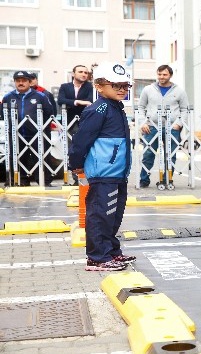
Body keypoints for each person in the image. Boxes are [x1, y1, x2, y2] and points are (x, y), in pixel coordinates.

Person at [68, 62, 134, 271]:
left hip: (116, 174)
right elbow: (81, 140)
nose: (122, 89)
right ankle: (97, 257)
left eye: (126, 86)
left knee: (113, 215)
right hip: (103, 173)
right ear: (99, 86)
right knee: (100, 214)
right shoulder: (99, 109)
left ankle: (111, 251)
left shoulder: (116, 107)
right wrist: (76, 165)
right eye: (116, 85)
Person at [137, 64, 190, 188]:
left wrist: (179, 123)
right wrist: (143, 122)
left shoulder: (179, 91)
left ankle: (168, 179)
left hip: (172, 127)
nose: (161, 77)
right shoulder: (148, 89)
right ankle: (144, 179)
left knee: (170, 154)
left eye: (164, 74)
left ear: (170, 75)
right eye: (159, 74)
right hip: (151, 127)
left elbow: (185, 109)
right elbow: (140, 107)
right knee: (148, 154)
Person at [0, 71, 55, 186]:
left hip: (36, 134)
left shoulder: (40, 96)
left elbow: (49, 112)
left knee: (41, 158)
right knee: (17, 158)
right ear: (14, 82)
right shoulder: (8, 97)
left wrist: (40, 127)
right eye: (18, 81)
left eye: (24, 80)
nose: (21, 83)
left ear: (29, 82)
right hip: (16, 134)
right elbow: (3, 114)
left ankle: (44, 181)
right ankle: (21, 181)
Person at [57, 65, 94, 130]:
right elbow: (61, 100)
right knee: (67, 139)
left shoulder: (91, 87)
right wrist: (77, 102)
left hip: (85, 120)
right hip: (67, 120)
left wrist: (69, 102)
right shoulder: (64, 86)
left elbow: (90, 100)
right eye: (80, 72)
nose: (83, 74)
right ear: (73, 74)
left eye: (86, 73)